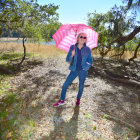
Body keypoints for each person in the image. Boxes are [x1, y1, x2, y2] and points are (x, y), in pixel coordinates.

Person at [53, 33, 92, 107]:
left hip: (83, 71)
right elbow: (67, 60)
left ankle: (78, 100)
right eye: (81, 37)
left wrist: (85, 68)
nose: (82, 38)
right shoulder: (72, 47)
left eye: (84, 37)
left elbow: (90, 61)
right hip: (74, 70)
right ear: (77, 38)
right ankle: (62, 100)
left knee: (81, 86)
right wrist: (72, 55)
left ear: (86, 40)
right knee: (65, 85)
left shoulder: (87, 49)